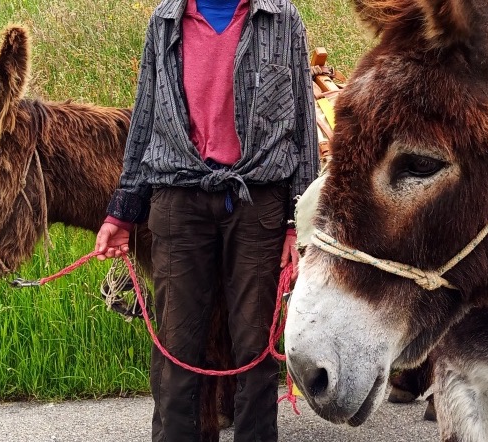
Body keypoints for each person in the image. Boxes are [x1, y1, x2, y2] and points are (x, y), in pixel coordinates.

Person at [94, 0, 319, 439]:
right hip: (179, 198)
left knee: (254, 345)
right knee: (177, 345)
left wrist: (298, 220)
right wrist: (122, 212)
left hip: (258, 200)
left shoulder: (282, 18)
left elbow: (302, 125)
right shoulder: (164, 21)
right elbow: (144, 117)